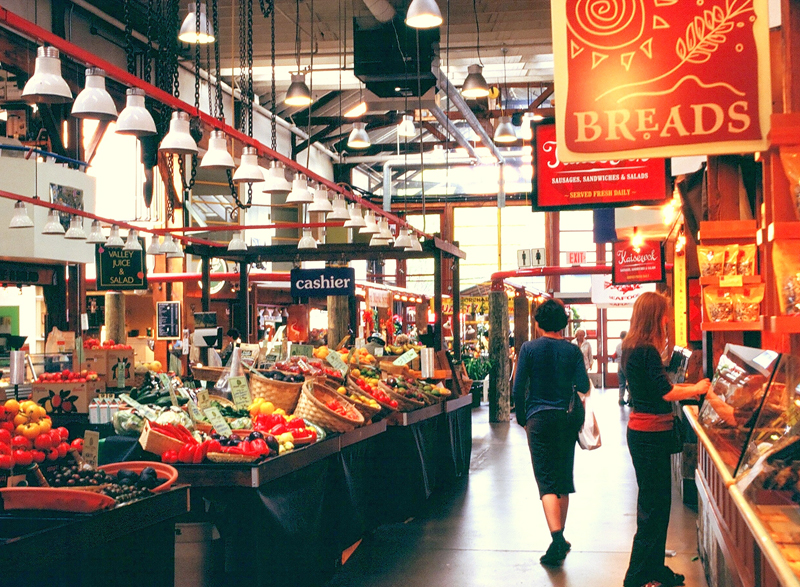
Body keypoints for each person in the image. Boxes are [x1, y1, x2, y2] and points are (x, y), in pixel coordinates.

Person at [620, 292, 711, 587]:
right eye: (665, 314)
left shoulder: (633, 347)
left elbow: (657, 386)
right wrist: (696, 387)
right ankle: (636, 577)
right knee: (652, 508)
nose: (668, 319)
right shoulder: (645, 350)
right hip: (649, 436)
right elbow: (665, 392)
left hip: (644, 433)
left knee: (657, 506)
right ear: (654, 316)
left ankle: (654, 570)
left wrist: (686, 387)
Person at [513, 298, 590, 567]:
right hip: (565, 419)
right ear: (563, 324)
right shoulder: (572, 351)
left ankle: (557, 539)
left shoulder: (528, 348)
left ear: (538, 323)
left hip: (537, 419)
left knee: (545, 480)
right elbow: (582, 384)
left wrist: (523, 419)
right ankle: (560, 539)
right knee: (562, 479)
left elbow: (517, 386)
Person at [615, 330, 629, 406]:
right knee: (629, 382)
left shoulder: (618, 345)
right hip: (626, 365)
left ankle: (621, 398)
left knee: (621, 383)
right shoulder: (628, 345)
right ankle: (630, 399)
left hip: (619, 365)